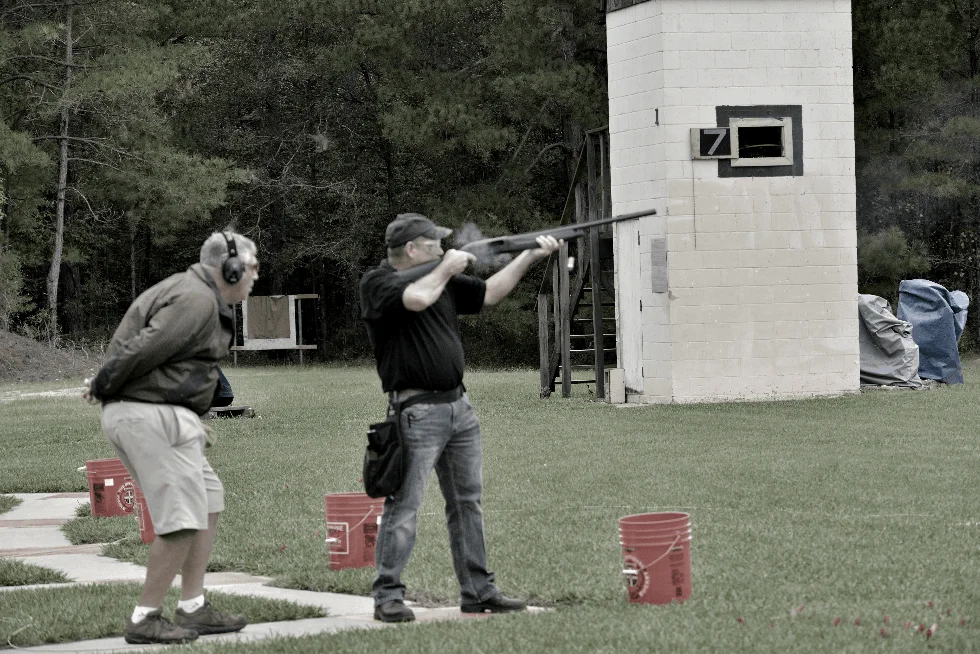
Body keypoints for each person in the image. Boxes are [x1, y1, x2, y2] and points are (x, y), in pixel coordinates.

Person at [359, 212, 559, 623]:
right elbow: (416, 299)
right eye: (434, 243)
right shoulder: (377, 283)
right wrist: (448, 266)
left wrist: (528, 257)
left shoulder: (442, 277)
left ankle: (478, 591)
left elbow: (488, 294)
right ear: (413, 249)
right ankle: (388, 596)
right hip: (416, 412)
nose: (442, 248)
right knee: (405, 506)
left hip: (459, 408)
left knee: (467, 503)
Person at [83, 231, 260, 645]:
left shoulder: (191, 291)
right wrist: (104, 383)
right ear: (229, 267)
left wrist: (189, 415)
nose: (255, 275)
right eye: (252, 267)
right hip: (148, 414)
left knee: (208, 498)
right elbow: (147, 347)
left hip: (160, 413)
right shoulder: (197, 298)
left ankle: (193, 606)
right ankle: (146, 617)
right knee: (181, 520)